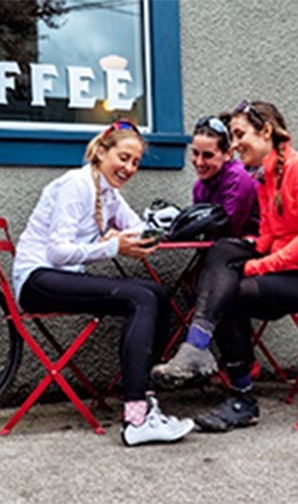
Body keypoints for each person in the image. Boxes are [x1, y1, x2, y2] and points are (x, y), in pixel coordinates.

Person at [151, 101, 298, 433]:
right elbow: (269, 236)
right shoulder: (264, 179)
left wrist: (260, 266)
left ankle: (240, 396)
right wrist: (249, 251)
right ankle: (197, 348)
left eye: (238, 135)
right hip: (289, 272)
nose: (233, 145)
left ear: (265, 132)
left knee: (233, 290)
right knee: (223, 249)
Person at [12, 119, 194, 446]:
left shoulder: (106, 192)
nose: (129, 167)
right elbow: (56, 251)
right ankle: (137, 418)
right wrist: (112, 246)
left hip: (60, 277)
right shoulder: (76, 184)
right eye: (123, 158)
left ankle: (146, 397)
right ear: (101, 152)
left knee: (158, 293)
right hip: (38, 280)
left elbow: (136, 226)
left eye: (136, 162)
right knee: (141, 298)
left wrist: (127, 235)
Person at [191, 114, 260, 238]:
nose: (199, 162)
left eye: (208, 155)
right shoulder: (200, 186)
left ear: (228, 154)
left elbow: (228, 230)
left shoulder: (238, 179)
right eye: (195, 153)